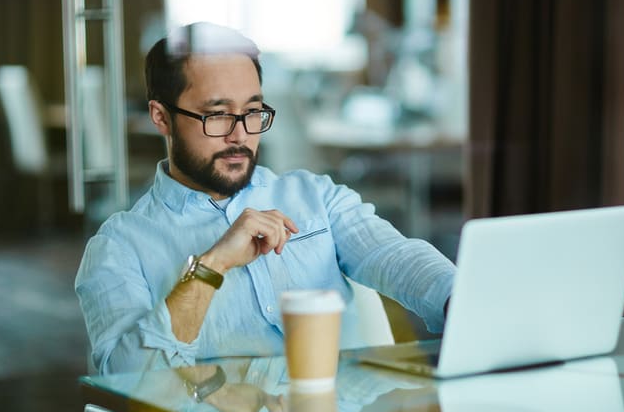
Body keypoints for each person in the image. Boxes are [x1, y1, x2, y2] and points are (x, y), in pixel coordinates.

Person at [75, 22, 455, 374]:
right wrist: (212, 265)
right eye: (218, 114)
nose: (240, 135)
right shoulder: (120, 246)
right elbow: (126, 376)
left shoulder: (315, 196)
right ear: (161, 117)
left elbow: (393, 256)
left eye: (253, 112)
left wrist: (460, 300)